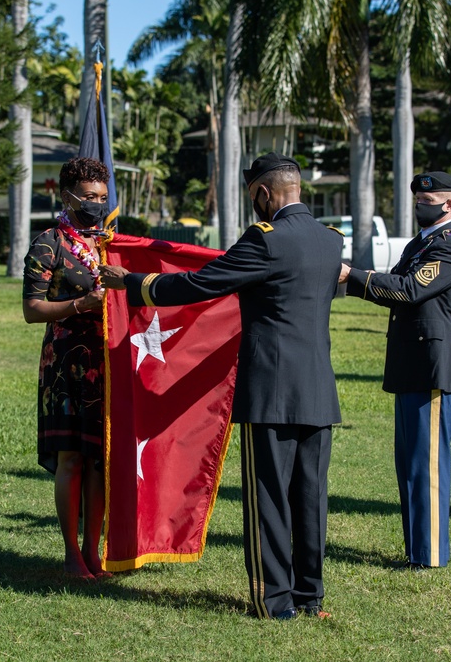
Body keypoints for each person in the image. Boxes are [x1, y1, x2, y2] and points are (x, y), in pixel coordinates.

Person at [101, 153, 343, 620]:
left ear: (264, 194)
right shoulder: (330, 242)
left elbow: (200, 284)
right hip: (318, 391)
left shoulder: (265, 240)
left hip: (271, 393)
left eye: (254, 197)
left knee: (269, 499)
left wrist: (133, 283)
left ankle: (273, 602)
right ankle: (309, 598)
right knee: (311, 498)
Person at [339, 171, 451, 569]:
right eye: (417, 200)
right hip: (411, 367)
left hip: (431, 369)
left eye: (428, 201)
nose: (420, 206)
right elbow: (395, 288)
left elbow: (409, 289)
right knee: (410, 465)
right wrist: (356, 282)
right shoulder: (420, 244)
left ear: (449, 205)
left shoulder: (448, 250)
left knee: (426, 466)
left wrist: (353, 275)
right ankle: (418, 550)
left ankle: (429, 555)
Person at [23, 156, 110, 579]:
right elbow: (31, 309)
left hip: (104, 361)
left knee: (98, 459)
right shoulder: (48, 243)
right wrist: (80, 304)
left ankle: (94, 552)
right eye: (89, 197)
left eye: (103, 198)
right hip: (63, 364)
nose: (96, 205)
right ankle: (71, 553)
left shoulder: (109, 244)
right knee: (72, 458)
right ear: (67, 196)